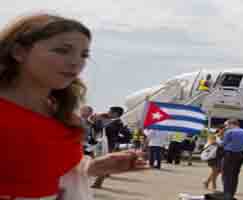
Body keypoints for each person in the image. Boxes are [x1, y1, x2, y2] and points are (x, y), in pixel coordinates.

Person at [0, 13, 146, 199]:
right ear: (18, 52)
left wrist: (92, 167)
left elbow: (52, 175)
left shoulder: (63, 115)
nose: (76, 62)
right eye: (62, 50)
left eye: (84, 55)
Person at [222, 119, 243, 200]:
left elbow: (223, 143)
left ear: (231, 124)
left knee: (226, 175)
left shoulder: (229, 132)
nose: (226, 127)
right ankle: (232, 193)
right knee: (235, 174)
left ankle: (227, 194)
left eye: (226, 125)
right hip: (241, 154)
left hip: (230, 154)